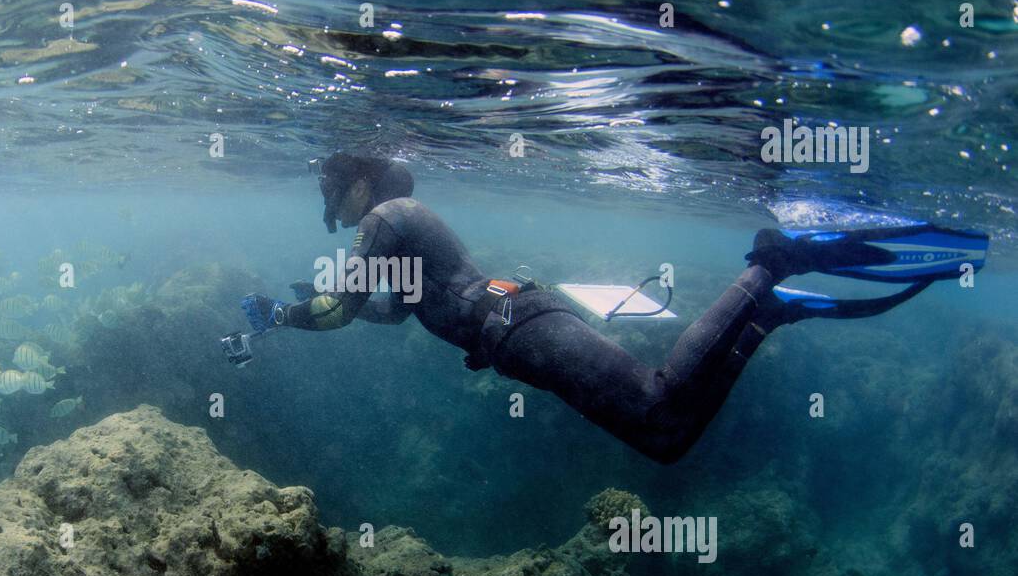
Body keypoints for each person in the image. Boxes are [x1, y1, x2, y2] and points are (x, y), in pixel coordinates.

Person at [240, 151, 987, 464]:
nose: (331, 211)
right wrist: (320, 302)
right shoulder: (396, 221)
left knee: (657, 403)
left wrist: (282, 316)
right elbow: (386, 312)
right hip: (516, 330)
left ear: (356, 185)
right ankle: (763, 310)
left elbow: (342, 310)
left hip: (519, 328)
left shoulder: (387, 215)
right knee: (665, 441)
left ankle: (770, 263)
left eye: (331, 196)